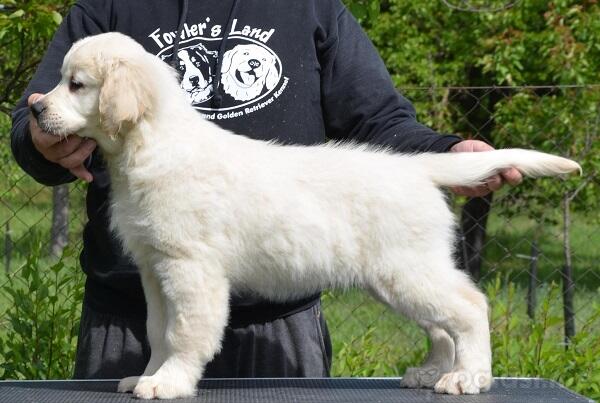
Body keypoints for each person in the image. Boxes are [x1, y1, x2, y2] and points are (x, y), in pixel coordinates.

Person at [11, 0, 521, 381]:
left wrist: (446, 151)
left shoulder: (310, 5)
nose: (64, 94)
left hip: (281, 326)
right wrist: (39, 140)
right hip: (121, 323)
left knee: (407, 279)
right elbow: (34, 120)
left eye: (76, 84)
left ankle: (462, 347)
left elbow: (380, 119)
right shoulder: (106, 6)